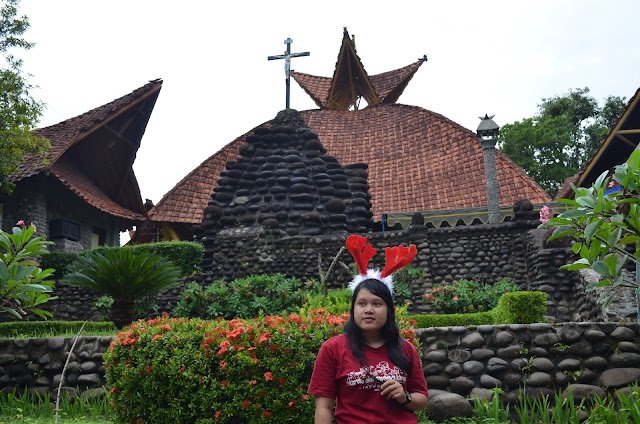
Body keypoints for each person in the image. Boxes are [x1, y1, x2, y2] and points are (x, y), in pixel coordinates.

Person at [308, 235, 428, 423]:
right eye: (362, 303)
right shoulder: (333, 349)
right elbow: (323, 407)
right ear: (353, 309)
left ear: (389, 310)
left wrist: (405, 397)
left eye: (377, 304)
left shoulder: (405, 349)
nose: (369, 310)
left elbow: (421, 399)